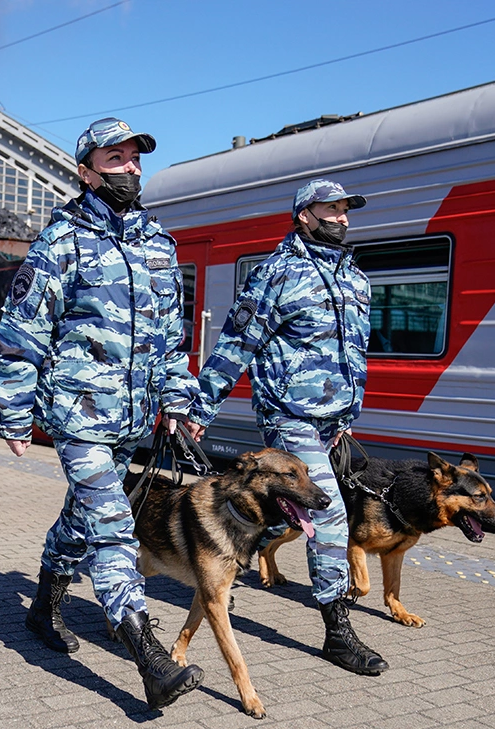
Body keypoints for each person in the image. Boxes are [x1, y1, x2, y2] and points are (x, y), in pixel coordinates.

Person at [0, 118, 207, 711]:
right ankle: (148, 656)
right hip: (78, 412)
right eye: (116, 158)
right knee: (112, 526)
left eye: (135, 157)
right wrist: (12, 409)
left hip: (131, 417)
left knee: (83, 518)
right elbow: (22, 329)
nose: (131, 166)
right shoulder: (60, 242)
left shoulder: (158, 243)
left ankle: (43, 602)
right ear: (86, 171)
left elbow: (168, 337)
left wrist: (179, 401)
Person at [190, 179, 387, 676]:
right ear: (304, 215)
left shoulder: (355, 278)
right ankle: (337, 632)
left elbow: (353, 354)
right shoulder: (275, 274)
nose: (342, 217)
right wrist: (200, 409)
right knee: (330, 517)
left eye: (346, 210)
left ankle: (217, 574)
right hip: (289, 416)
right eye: (332, 209)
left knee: (279, 518)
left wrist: (344, 418)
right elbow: (236, 342)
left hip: (331, 424)